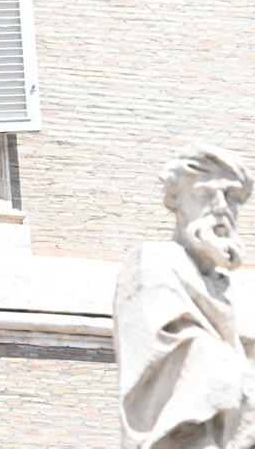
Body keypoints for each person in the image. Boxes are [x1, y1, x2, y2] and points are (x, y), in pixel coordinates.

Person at [114, 143, 255, 449]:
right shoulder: (152, 261)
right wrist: (239, 371)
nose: (221, 207)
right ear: (175, 198)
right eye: (206, 193)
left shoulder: (235, 291)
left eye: (231, 197)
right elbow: (174, 351)